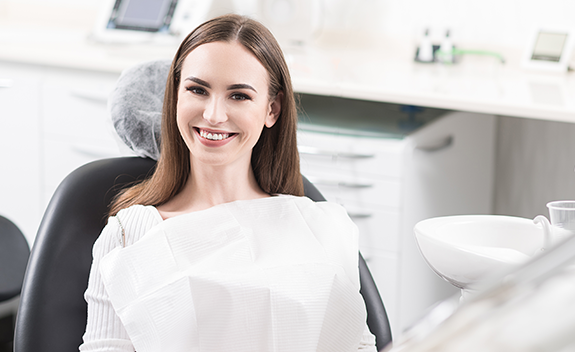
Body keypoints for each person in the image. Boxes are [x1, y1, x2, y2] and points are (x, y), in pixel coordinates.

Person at [80, 14, 377, 352]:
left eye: (238, 96)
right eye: (197, 90)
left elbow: (358, 346)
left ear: (272, 110)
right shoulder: (129, 236)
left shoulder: (323, 228)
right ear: (175, 96)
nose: (214, 115)